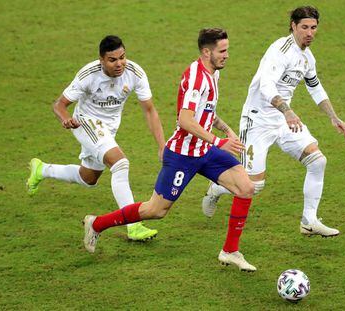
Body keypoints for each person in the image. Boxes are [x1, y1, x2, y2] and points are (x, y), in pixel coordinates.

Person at [83, 28, 257, 272]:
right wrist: (218, 142)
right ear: (207, 52)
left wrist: (226, 129)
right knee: (155, 210)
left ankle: (230, 251)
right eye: (223, 51)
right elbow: (185, 120)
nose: (227, 55)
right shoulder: (197, 78)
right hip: (183, 154)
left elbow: (205, 111)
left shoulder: (212, 74)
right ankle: (97, 224)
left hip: (203, 149)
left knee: (246, 187)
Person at [202, 6, 345, 237]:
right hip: (258, 120)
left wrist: (333, 116)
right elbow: (266, 86)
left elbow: (315, 86)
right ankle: (217, 188)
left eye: (313, 28)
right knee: (253, 186)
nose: (309, 33)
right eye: (304, 27)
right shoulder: (280, 50)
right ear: (293, 26)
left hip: (283, 121)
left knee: (317, 161)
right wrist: (288, 111)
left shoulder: (307, 57)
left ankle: (309, 221)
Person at [26, 35, 165, 241]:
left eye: (122, 57)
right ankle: (133, 225)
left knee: (88, 178)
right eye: (112, 60)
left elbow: (150, 110)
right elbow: (59, 104)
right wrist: (65, 119)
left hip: (109, 128)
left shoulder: (134, 72)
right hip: (86, 122)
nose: (119, 64)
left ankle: (42, 169)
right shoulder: (88, 75)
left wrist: (162, 145)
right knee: (120, 164)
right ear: (101, 60)